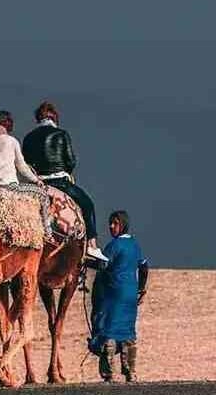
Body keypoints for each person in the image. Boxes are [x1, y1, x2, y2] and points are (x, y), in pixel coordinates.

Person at [21, 101, 107, 261]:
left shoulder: (28, 138)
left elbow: (25, 163)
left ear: (38, 118)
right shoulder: (61, 134)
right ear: (54, 117)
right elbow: (71, 161)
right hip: (60, 182)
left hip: (37, 184)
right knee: (88, 205)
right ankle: (92, 246)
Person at [88, 210, 149, 383]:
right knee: (128, 332)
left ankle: (109, 374)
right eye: (110, 223)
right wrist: (141, 289)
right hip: (130, 295)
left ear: (122, 224)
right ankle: (131, 372)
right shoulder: (134, 245)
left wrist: (84, 260)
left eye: (114, 223)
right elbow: (144, 267)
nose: (111, 226)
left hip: (113, 294)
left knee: (109, 330)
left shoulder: (114, 245)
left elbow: (102, 264)